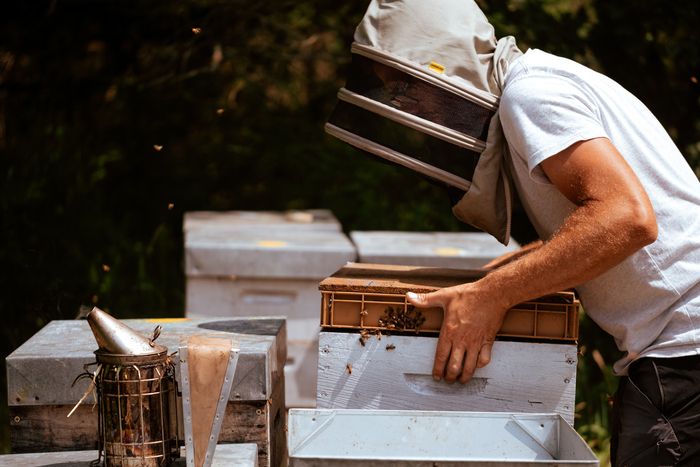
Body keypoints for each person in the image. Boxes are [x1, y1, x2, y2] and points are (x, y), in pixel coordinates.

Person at [330, 1, 700, 465]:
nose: (404, 107)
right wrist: (492, 280)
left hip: (686, 351)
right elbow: (587, 232)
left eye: (405, 87)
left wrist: (493, 295)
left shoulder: (531, 95)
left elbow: (626, 217)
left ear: (444, 64)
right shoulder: (542, 84)